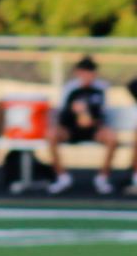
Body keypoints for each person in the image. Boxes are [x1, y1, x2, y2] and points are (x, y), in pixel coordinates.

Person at [47, 56, 119, 196]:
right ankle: (62, 177)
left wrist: (90, 118)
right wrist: (74, 112)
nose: (87, 76)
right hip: (71, 129)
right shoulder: (70, 89)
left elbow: (102, 115)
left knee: (112, 137)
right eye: (84, 72)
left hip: (93, 130)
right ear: (78, 73)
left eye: (90, 72)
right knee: (51, 134)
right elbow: (62, 115)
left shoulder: (100, 89)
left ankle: (102, 179)